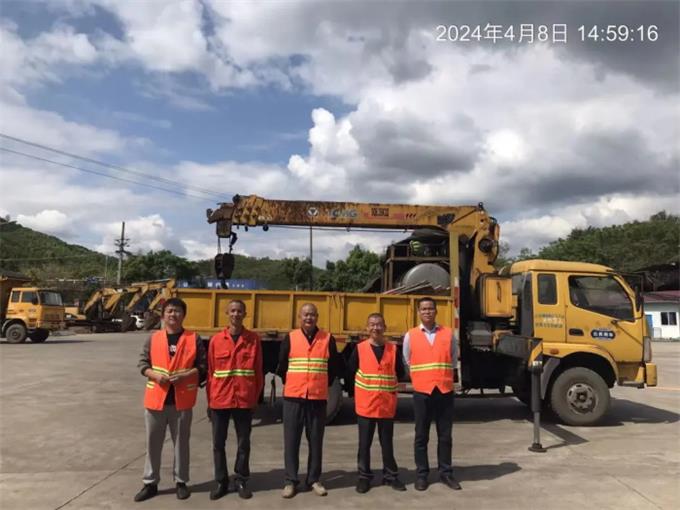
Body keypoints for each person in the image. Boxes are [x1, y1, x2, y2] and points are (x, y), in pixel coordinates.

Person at [134, 298, 207, 502]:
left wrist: (185, 376)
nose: (173, 314)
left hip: (181, 401)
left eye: (177, 311)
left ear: (184, 315)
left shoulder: (193, 338)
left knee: (181, 444)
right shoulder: (154, 338)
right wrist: (155, 375)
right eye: (169, 311)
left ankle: (181, 481)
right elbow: (142, 363)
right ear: (163, 315)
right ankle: (150, 483)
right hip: (156, 400)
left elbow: (202, 366)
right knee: (153, 444)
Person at [276, 303, 343, 499]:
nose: (309, 318)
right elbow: (282, 366)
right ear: (300, 317)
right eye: (305, 315)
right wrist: (295, 383)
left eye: (312, 315)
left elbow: (334, 367)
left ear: (317, 317)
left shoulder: (327, 339)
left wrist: (320, 385)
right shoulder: (290, 338)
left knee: (315, 440)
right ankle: (290, 481)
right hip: (294, 397)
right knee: (291, 440)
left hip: (317, 398)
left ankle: (314, 479)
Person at [206, 300, 263, 500]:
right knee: (218, 443)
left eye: (239, 311)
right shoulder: (216, 340)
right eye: (232, 311)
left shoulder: (253, 340)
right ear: (227, 313)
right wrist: (210, 401)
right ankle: (221, 481)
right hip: (220, 399)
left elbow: (258, 372)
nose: (236, 314)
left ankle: (241, 479)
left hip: (244, 399)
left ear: (245, 314)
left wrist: (254, 399)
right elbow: (211, 373)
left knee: (243, 442)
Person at [403, 297, 461, 491]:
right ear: (419, 312)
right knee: (421, 436)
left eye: (430, 308)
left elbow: (453, 359)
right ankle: (422, 475)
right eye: (423, 309)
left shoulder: (448, 334)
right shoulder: (411, 335)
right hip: (422, 392)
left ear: (436, 311)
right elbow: (407, 360)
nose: (427, 312)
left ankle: (446, 473)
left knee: (445, 436)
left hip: (444, 391)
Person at [347, 313, 407, 494]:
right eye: (372, 324)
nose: (376, 328)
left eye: (379, 324)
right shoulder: (359, 349)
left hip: (386, 405)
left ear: (385, 327)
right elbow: (350, 372)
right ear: (367, 328)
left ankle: (391, 476)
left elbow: (400, 372)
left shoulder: (393, 349)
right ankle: (364, 477)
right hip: (366, 406)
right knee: (364, 444)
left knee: (387, 443)